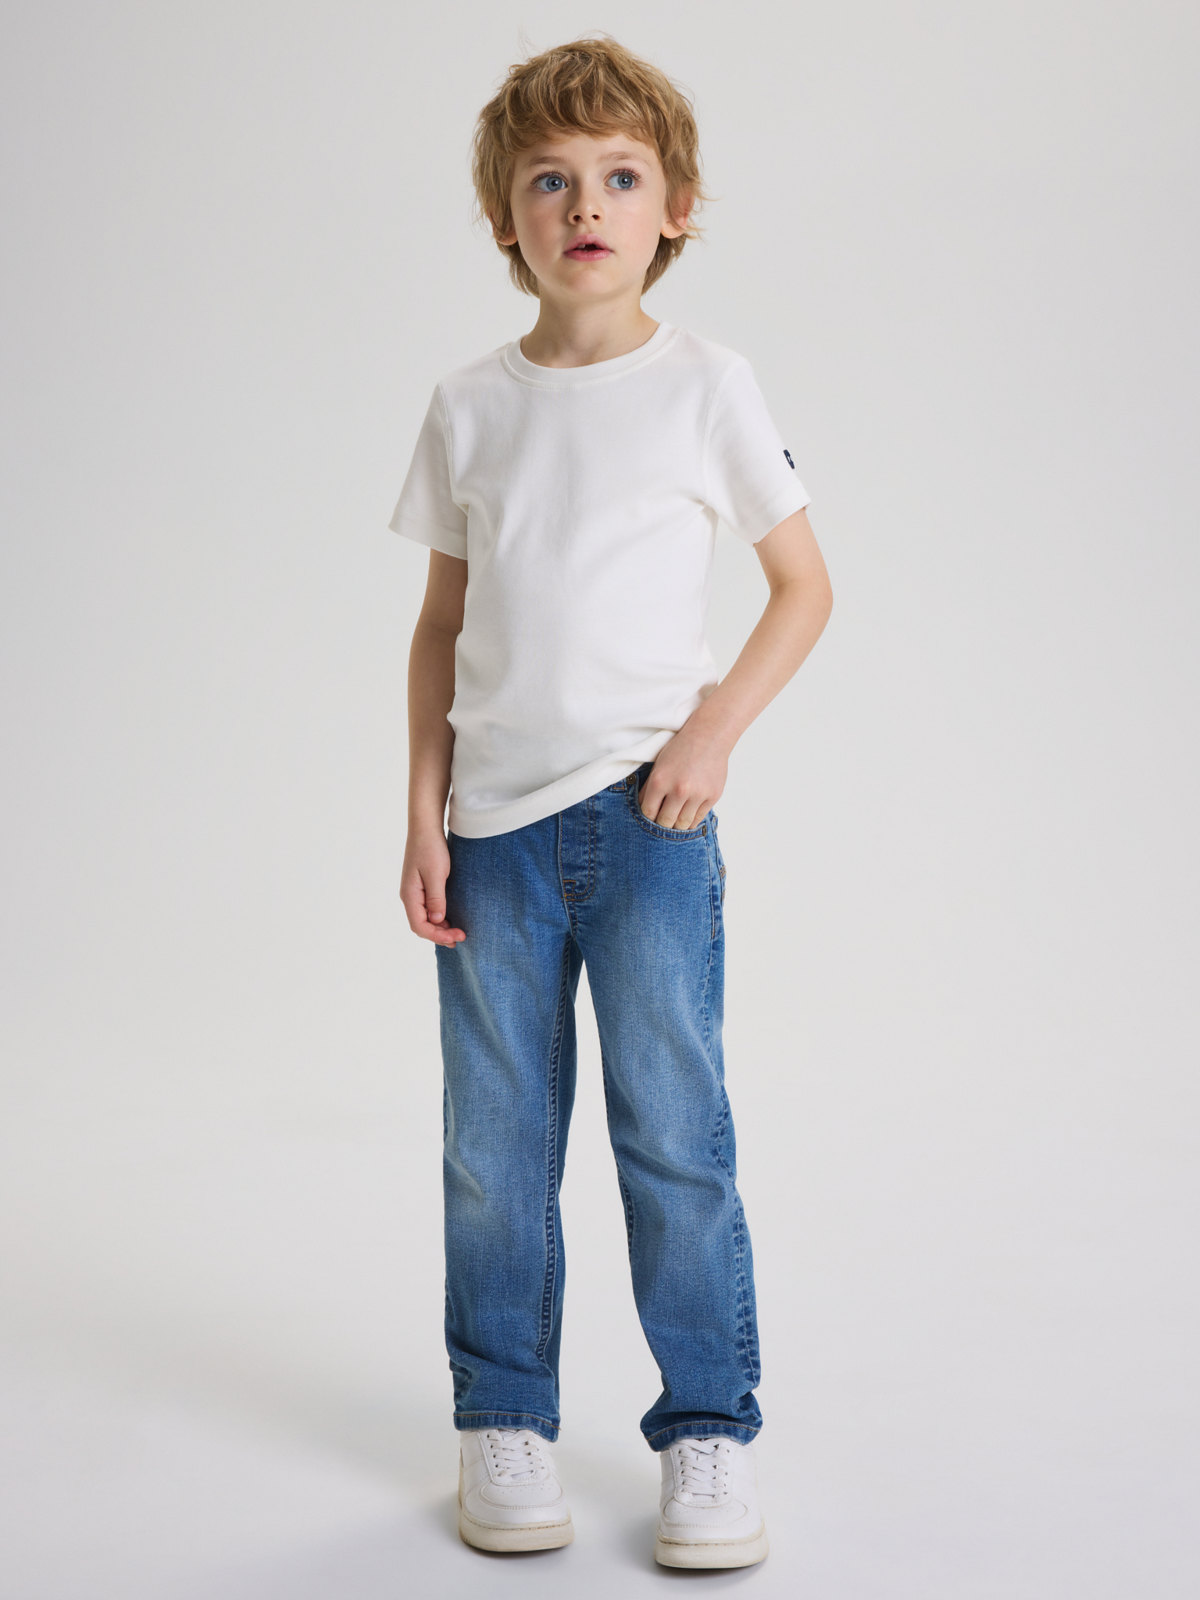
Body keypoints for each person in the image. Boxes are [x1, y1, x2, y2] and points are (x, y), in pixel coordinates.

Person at [389, 34, 833, 1570]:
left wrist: (712, 734)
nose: (586, 206)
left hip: (652, 827)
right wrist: (424, 811)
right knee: (496, 1147)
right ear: (503, 218)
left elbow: (803, 586)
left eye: (621, 177)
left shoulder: (707, 386)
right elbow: (441, 628)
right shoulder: (470, 406)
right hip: (495, 841)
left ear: (675, 208)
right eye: (550, 181)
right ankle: (503, 1416)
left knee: (673, 1135)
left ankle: (708, 1431)